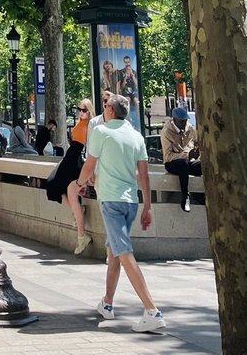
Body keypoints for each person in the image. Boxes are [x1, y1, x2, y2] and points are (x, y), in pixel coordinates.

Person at [74, 93, 165, 333]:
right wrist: (147, 206)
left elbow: (89, 164)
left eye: (106, 106)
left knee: (123, 253)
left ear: (111, 111)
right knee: (114, 252)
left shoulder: (101, 132)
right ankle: (108, 303)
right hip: (131, 202)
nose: (103, 109)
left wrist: (80, 182)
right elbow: (143, 175)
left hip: (111, 200)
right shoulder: (136, 137)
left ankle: (151, 310)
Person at [48, 99, 95, 255]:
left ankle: (81, 236)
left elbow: (90, 148)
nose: (81, 112)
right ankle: (78, 213)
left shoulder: (92, 126)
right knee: (53, 186)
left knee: (65, 190)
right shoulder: (82, 124)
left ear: (89, 111)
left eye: (84, 110)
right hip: (70, 157)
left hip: (76, 160)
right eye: (79, 109)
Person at [160, 106, 202, 212]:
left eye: (185, 120)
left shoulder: (190, 129)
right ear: (174, 120)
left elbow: (197, 143)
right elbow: (168, 156)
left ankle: (200, 196)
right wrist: (187, 155)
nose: (184, 123)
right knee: (183, 164)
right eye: (181, 121)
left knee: (202, 165)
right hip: (172, 163)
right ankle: (185, 196)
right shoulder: (166, 132)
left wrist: (198, 152)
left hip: (188, 162)